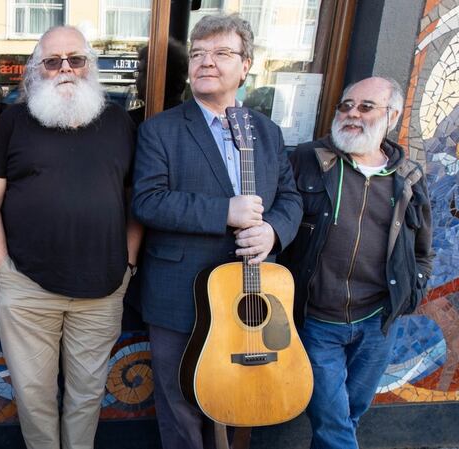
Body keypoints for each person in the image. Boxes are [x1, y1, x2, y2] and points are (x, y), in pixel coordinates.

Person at [131, 14, 302, 449]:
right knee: (180, 404)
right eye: (199, 53)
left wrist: (273, 233)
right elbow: (147, 201)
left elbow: (291, 199)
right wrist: (224, 211)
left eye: (222, 53)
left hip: (250, 295)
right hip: (178, 294)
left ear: (246, 66)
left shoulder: (267, 132)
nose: (207, 62)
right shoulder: (160, 130)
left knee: (242, 395)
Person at [0, 26, 142, 449]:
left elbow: (136, 202)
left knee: (87, 397)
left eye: (76, 59)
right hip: (28, 290)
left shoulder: (120, 121)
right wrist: (3, 271)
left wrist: (128, 264)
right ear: (36, 70)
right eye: (52, 62)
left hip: (103, 290)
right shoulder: (14, 121)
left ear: (90, 64)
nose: (65, 69)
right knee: (34, 398)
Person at [281, 76, 434, 449]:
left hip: (378, 322)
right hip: (317, 319)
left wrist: (411, 292)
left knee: (349, 413)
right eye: (346, 105)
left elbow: (422, 250)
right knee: (332, 421)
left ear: (392, 116)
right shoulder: (308, 160)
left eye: (366, 107)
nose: (352, 114)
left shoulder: (408, 177)